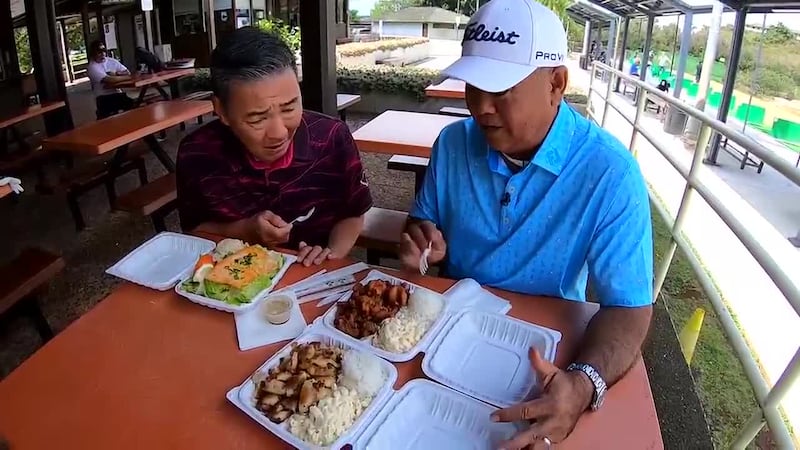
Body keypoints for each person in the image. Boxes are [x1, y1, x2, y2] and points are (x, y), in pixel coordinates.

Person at [398, 0, 654, 447]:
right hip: (448, 341)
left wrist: (583, 383)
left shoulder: (610, 173)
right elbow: (423, 220)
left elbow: (629, 308)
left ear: (556, 83)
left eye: (500, 90)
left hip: (546, 354)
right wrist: (421, 237)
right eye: (473, 87)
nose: (480, 108)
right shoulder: (453, 144)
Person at [176, 27, 372, 267]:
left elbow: (353, 211)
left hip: (313, 275)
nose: (279, 133)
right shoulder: (197, 154)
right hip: (234, 283)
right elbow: (195, 231)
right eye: (257, 119)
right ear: (221, 110)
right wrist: (246, 231)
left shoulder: (332, 137)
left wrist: (330, 254)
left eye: (289, 108)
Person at [86, 40, 134, 119]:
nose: (102, 54)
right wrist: (128, 77)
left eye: (104, 51)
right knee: (128, 103)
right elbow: (109, 80)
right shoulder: (92, 67)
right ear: (93, 54)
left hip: (117, 93)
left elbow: (126, 72)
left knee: (131, 103)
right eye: (99, 52)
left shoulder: (111, 61)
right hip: (103, 97)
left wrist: (116, 74)